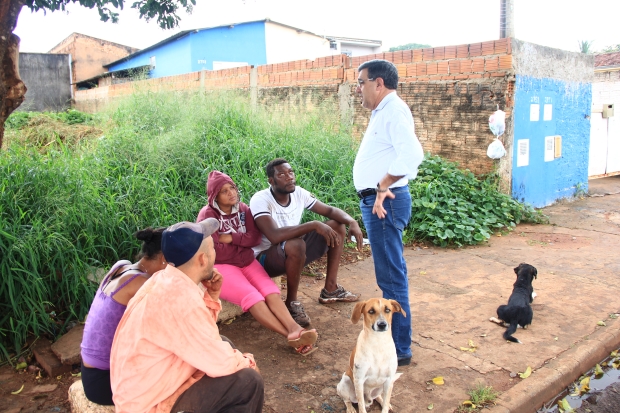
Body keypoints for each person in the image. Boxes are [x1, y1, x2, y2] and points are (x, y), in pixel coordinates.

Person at [110, 219, 263, 413]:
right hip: (150, 405)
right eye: (213, 249)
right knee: (249, 381)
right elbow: (220, 361)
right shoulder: (179, 299)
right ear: (202, 259)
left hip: (141, 391)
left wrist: (212, 296)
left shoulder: (165, 279)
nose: (215, 254)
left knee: (225, 344)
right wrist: (249, 363)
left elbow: (202, 334)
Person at [196, 171, 318, 355]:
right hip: (223, 266)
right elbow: (216, 250)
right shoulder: (208, 215)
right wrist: (240, 243)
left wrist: (230, 238)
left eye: (232, 188)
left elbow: (254, 238)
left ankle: (296, 328)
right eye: (224, 191)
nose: (231, 193)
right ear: (215, 196)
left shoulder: (244, 210)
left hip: (247, 261)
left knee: (271, 292)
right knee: (253, 298)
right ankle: (290, 335)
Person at [353, 59, 424, 367]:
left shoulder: (393, 110)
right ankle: (398, 345)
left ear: (378, 83)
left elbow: (413, 155)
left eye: (361, 82)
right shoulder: (384, 111)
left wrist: (382, 185)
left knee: (391, 278)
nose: (358, 89)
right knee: (390, 275)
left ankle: (398, 349)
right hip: (379, 201)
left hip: (385, 201)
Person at [249, 158, 364, 327]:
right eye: (282, 174)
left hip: (291, 250)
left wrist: (352, 221)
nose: (289, 177)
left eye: (291, 172)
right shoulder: (261, 199)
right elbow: (273, 236)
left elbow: (330, 210)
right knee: (296, 244)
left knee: (336, 226)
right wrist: (314, 224)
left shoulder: (298, 193)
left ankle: (330, 289)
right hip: (265, 260)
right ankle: (291, 303)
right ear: (271, 181)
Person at [80, 227, 167, 405]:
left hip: (90, 372)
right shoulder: (141, 283)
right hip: (105, 382)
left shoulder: (121, 266)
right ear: (164, 258)